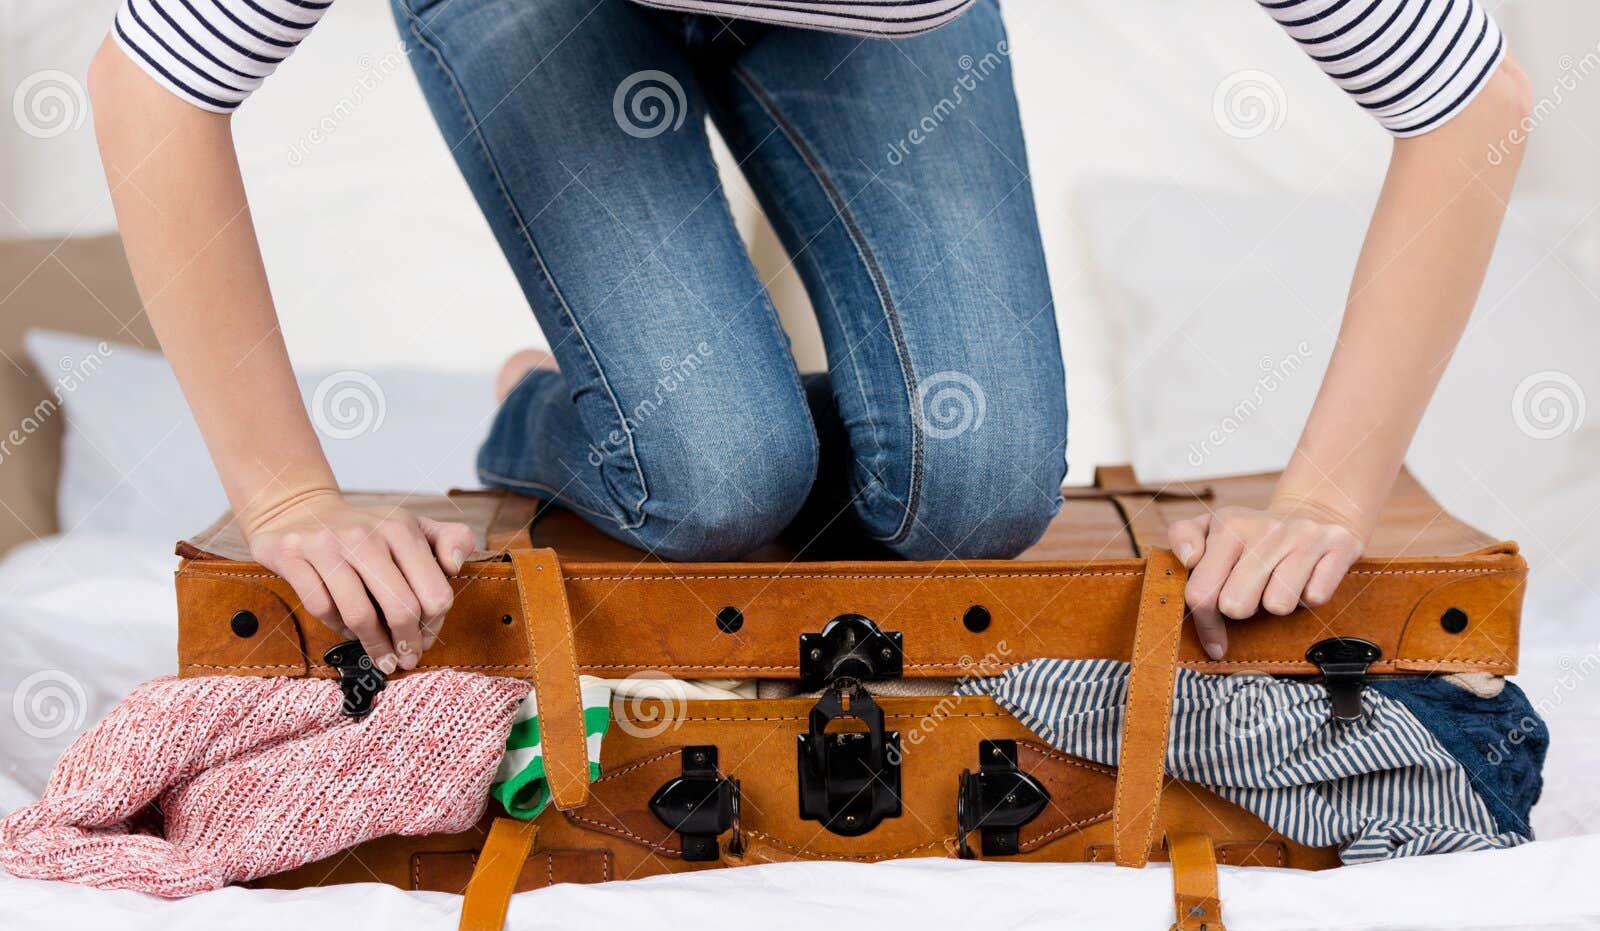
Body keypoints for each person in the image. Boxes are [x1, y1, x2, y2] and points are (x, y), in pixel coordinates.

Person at [91, 0, 1531, 673]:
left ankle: (617, 403)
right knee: (717, 472)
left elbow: (1471, 102)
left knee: (978, 485)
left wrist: (1329, 493)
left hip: (875, 29)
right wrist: (290, 497)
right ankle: (579, 408)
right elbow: (146, 82)